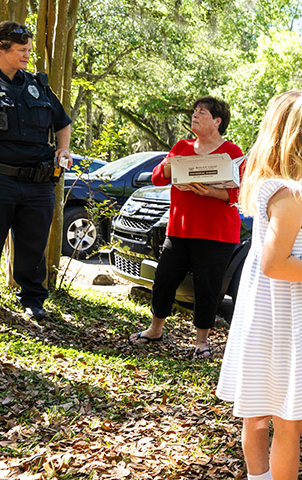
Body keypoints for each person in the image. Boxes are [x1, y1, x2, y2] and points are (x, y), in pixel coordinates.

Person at [216, 88, 302, 480]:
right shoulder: (291, 196)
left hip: (268, 315)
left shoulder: (288, 191)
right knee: (288, 422)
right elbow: (275, 264)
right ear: (298, 143)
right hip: (284, 320)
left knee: (257, 416)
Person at [128, 96, 243, 359]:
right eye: (194, 111)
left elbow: (242, 192)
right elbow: (158, 179)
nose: (195, 115)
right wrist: (167, 165)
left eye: (201, 112)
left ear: (217, 121)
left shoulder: (233, 153)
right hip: (179, 230)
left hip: (217, 234)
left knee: (207, 287)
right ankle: (155, 330)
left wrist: (211, 192)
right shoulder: (181, 147)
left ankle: (201, 343)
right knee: (164, 280)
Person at [0, 22, 72, 321]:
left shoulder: (38, 85)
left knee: (34, 243)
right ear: (0, 47)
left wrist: (63, 149)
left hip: (39, 182)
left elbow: (62, 122)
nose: (26, 56)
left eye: (29, 51)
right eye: (21, 51)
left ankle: (33, 299)